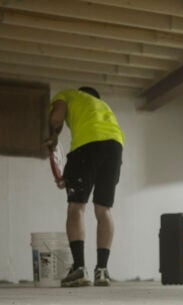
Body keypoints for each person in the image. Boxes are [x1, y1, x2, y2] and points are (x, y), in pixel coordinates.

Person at [46, 86, 124, 287]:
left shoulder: (69, 94)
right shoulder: (103, 106)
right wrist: (69, 177)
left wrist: (53, 136)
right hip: (115, 147)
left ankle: (80, 268)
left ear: (81, 93)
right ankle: (102, 270)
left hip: (87, 145)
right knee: (103, 209)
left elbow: (57, 116)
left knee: (76, 206)